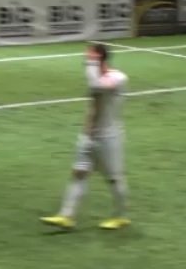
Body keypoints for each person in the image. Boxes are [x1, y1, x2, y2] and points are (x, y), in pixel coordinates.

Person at [41, 43, 130, 230]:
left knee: (114, 179)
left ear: (101, 58)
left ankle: (121, 216)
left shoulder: (117, 78)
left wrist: (91, 65)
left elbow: (96, 86)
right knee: (78, 174)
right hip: (88, 136)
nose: (86, 61)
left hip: (109, 138)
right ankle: (66, 216)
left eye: (90, 58)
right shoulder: (97, 76)